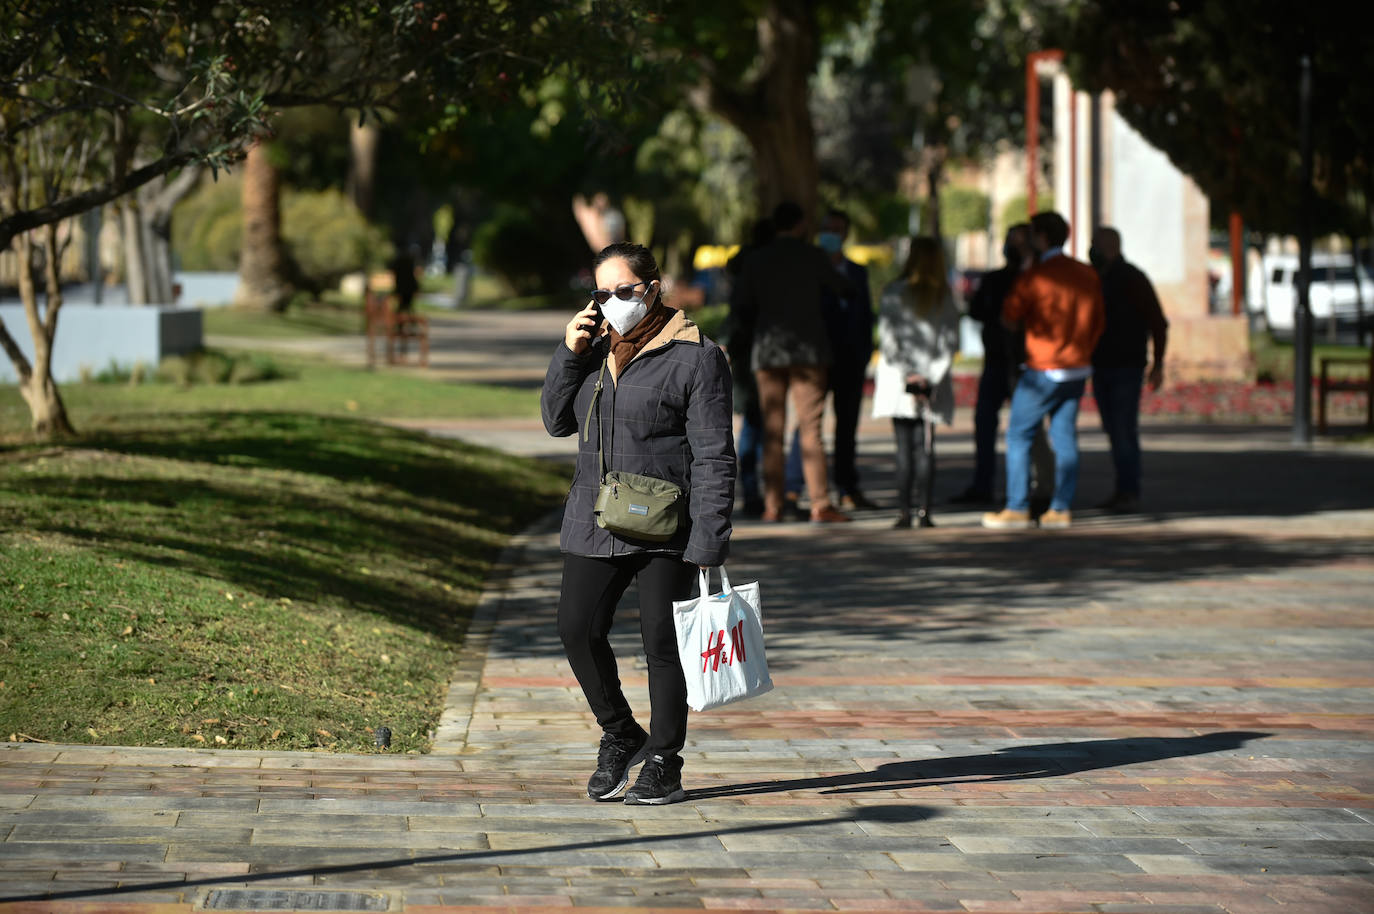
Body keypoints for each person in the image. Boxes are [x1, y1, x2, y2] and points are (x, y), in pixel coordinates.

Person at [541, 242, 736, 805]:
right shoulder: (594, 348)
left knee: (661, 642)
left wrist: (709, 538)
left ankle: (664, 760)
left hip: (666, 523)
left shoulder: (697, 357)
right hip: (595, 515)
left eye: (623, 291)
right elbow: (556, 420)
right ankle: (621, 731)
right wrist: (570, 352)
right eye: (601, 293)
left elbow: (715, 455)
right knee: (576, 628)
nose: (612, 303)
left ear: (652, 288)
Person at [731, 201, 854, 524]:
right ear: (800, 224)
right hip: (809, 352)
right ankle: (820, 503)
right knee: (811, 428)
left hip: (768, 352)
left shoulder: (757, 259)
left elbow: (742, 303)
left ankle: (772, 506)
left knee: (772, 431)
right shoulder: (813, 256)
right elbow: (844, 288)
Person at [982, 211, 1105, 530]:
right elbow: (1098, 322)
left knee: (1019, 435)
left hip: (1044, 365)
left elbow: (1009, 316)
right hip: (1076, 366)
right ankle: (1060, 508)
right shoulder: (1086, 273)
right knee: (1064, 436)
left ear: (1041, 238)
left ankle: (1017, 506)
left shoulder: (1036, 275)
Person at [782, 208, 876, 511]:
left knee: (847, 427)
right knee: (808, 424)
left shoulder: (857, 271)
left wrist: (864, 353)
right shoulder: (807, 267)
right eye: (827, 229)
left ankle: (848, 489)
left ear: (846, 234)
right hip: (815, 358)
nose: (831, 235)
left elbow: (865, 315)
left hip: (850, 359)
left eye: (837, 230)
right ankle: (793, 489)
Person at [871, 237, 961, 528]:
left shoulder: (893, 293)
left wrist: (908, 374)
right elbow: (949, 343)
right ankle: (924, 511)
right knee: (925, 446)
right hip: (930, 384)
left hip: (900, 382)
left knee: (903, 447)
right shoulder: (943, 296)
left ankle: (903, 512)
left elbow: (888, 342)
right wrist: (928, 376)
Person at [951, 224, 1033, 505]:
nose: (1012, 248)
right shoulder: (993, 279)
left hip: (1025, 363)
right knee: (985, 424)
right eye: (1010, 242)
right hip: (996, 360)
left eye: (1018, 243)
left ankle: (1030, 489)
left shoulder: (1034, 279)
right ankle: (983, 484)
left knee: (1027, 430)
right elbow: (976, 311)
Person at [1089, 226, 1169, 512]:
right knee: (1113, 429)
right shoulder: (1094, 277)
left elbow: (1158, 323)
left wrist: (1158, 363)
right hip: (1101, 364)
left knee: (1123, 430)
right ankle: (1123, 488)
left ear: (1110, 246)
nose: (1091, 249)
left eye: (1095, 244)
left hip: (1126, 366)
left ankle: (1128, 490)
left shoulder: (1132, 278)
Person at [722, 218, 776, 518]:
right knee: (760, 427)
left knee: (753, 425)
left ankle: (755, 492)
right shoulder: (763, 268)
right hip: (762, 354)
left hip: (746, 356)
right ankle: (760, 493)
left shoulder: (741, 264)